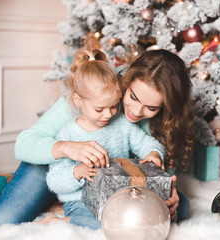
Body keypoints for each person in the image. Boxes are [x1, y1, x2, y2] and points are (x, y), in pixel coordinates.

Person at [0, 49, 193, 227]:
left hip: (102, 183)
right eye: (132, 97)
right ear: (126, 82)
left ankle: (58, 206)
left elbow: (160, 165)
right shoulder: (95, 89)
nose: (136, 111)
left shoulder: (162, 122)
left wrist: (168, 195)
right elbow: (24, 143)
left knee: (180, 207)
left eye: (152, 107)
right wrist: (67, 148)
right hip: (56, 165)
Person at [43, 48, 165, 229]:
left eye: (114, 106)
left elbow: (147, 143)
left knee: (157, 215)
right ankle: (59, 221)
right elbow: (54, 181)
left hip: (119, 197)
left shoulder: (122, 124)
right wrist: (78, 172)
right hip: (81, 201)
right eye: (99, 109)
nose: (108, 114)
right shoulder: (68, 135)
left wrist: (154, 153)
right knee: (105, 224)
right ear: (78, 100)